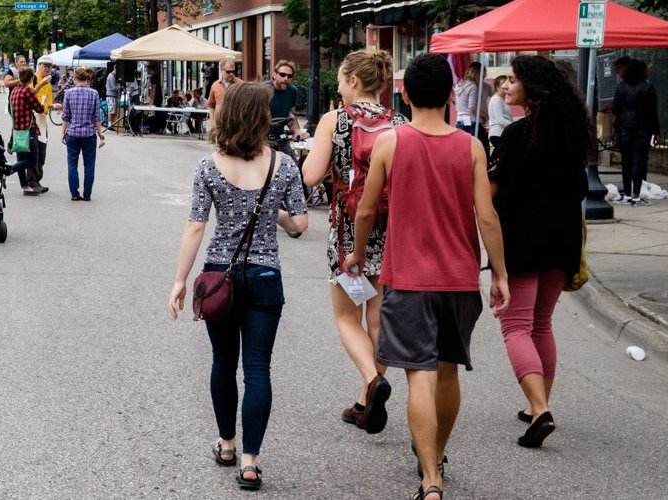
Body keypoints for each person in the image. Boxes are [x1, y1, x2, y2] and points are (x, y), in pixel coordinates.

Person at [343, 53, 510, 500]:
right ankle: (435, 455)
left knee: (419, 374)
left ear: (404, 93)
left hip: (408, 280)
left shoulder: (390, 144)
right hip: (458, 280)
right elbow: (487, 217)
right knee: (448, 371)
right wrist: (499, 274)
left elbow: (366, 208)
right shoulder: (471, 147)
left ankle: (431, 480)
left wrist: (358, 254)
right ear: (452, 95)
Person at [167, 82, 309, 492]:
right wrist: (275, 214)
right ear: (263, 120)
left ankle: (227, 444)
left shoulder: (208, 167)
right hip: (265, 277)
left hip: (219, 278)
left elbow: (196, 226)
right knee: (259, 369)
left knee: (222, 363)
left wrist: (179, 281)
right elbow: (300, 224)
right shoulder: (282, 165)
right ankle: (250, 462)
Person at [300, 48, 406, 434]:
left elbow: (310, 176)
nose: (340, 89)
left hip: (348, 229)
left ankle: (372, 381)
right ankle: (366, 400)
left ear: (354, 82)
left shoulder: (335, 120)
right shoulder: (400, 121)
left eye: (341, 82)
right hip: (390, 229)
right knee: (378, 316)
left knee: (347, 316)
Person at [488, 55, 591, 449]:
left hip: (523, 241)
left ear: (534, 88)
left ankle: (540, 409)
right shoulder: (571, 136)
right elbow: (580, 190)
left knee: (515, 326)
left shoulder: (517, 135)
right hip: (562, 240)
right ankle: (538, 405)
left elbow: (491, 191)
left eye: (514, 80)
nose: (506, 85)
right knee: (542, 324)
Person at [612, 58, 660, 205]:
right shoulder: (648, 87)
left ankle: (626, 194)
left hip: (625, 128)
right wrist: (656, 131)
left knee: (626, 161)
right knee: (638, 161)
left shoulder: (620, 87)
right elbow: (653, 112)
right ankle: (636, 195)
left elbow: (615, 109)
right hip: (642, 128)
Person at [60, 67, 104, 201]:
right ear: (87, 79)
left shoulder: (69, 93)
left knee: (72, 164)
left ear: (74, 78)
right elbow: (97, 116)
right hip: (89, 134)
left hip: (72, 133)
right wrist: (100, 133)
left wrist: (63, 133)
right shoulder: (94, 93)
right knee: (89, 165)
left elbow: (65, 116)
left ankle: (74, 193)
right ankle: (87, 194)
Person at [8, 68, 46, 196]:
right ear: (30, 79)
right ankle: (8, 170)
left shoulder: (14, 91)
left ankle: (25, 186)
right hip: (28, 130)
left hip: (17, 130)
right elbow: (39, 108)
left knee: (21, 158)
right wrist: (43, 102)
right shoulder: (27, 90)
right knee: (32, 160)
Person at [454, 62, 493, 149]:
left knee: (464, 149)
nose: (483, 78)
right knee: (481, 148)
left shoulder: (459, 84)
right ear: (479, 73)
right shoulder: (473, 86)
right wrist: (484, 115)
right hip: (473, 122)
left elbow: (456, 104)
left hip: (460, 121)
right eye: (483, 75)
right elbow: (472, 108)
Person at [269, 60, 309, 142]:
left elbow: (291, 115)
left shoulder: (293, 91)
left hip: (280, 135)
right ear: (274, 75)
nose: (286, 78)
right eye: (282, 75)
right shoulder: (264, 90)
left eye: (289, 76)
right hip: (261, 136)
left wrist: (297, 131)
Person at [487, 75, 514, 152]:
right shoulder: (496, 100)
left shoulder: (502, 99)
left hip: (502, 132)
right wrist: (513, 125)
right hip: (498, 133)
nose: (506, 85)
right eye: (503, 83)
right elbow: (500, 120)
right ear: (497, 87)